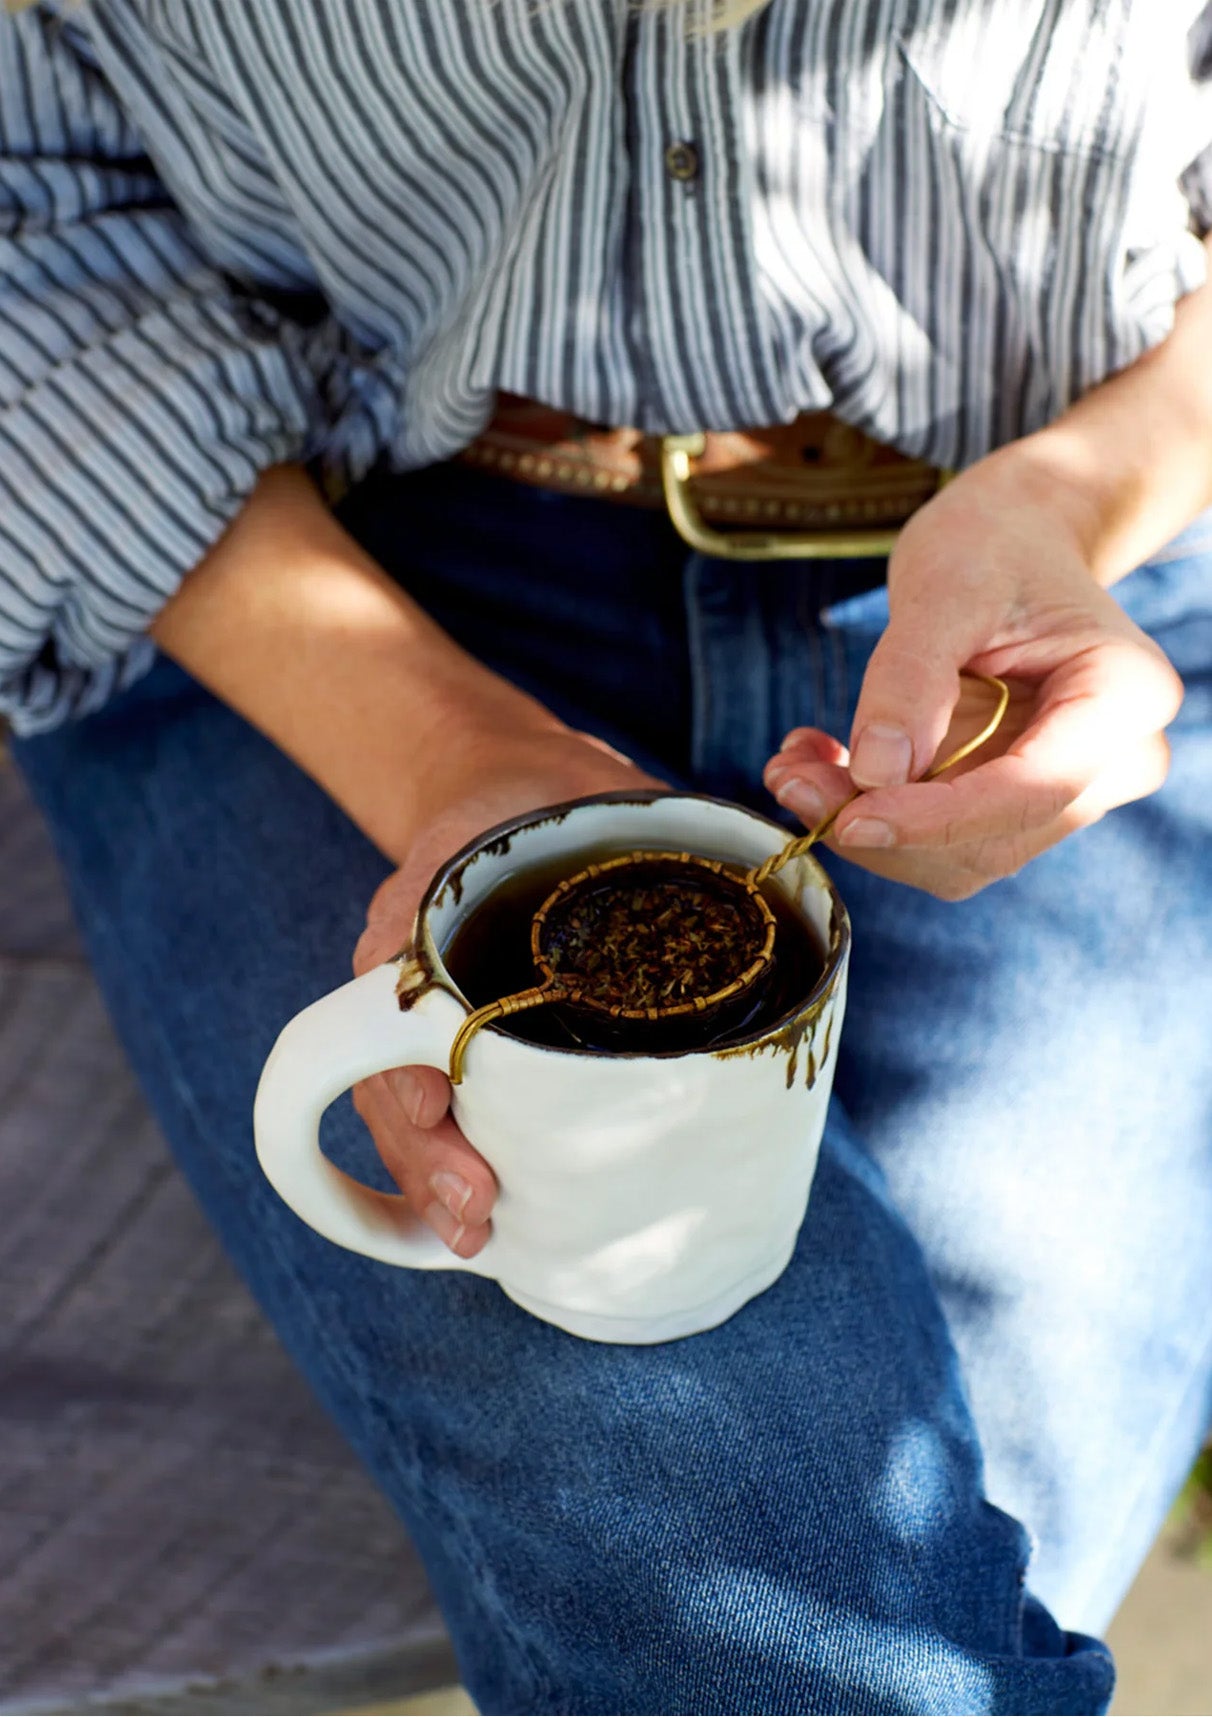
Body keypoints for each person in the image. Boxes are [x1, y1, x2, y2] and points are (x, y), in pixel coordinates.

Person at [3, 0, 1210, 1709]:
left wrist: (1078, 499)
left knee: (955, 1534)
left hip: (1059, 558)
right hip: (303, 553)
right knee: (774, 1581)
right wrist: (440, 749)